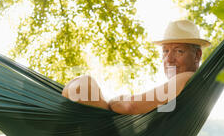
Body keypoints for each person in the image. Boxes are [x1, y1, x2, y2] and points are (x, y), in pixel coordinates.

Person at [61, 20, 210, 114]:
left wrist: (115, 101)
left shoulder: (186, 78)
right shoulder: (190, 86)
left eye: (179, 51)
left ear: (197, 55)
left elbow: (129, 107)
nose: (169, 59)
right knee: (81, 85)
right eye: (165, 51)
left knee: (81, 86)